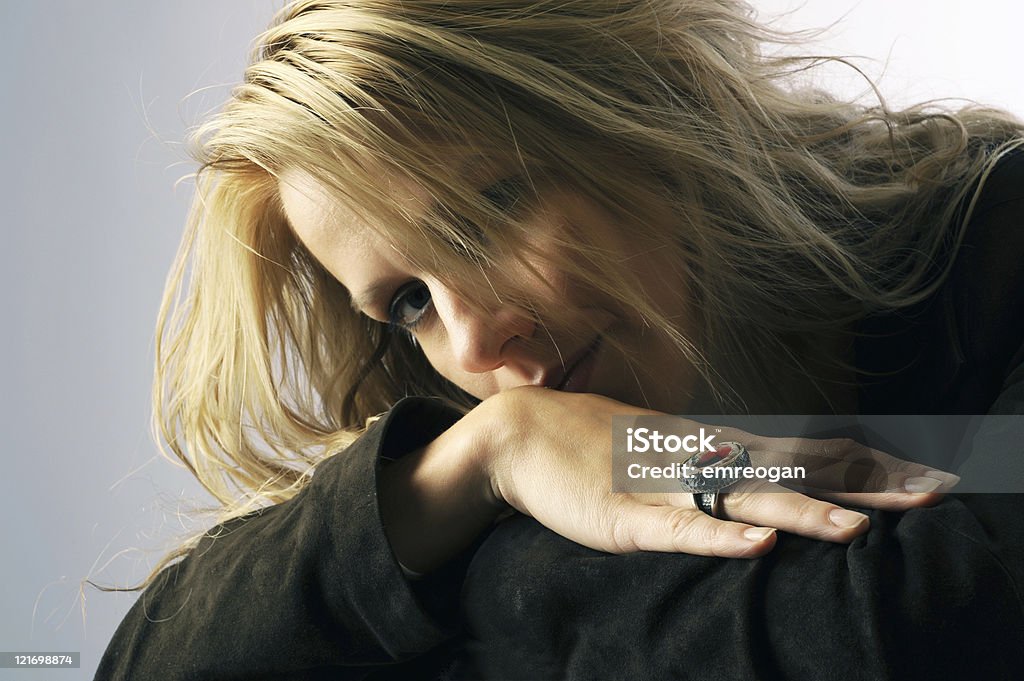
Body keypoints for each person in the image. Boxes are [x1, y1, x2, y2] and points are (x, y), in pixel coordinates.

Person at [95, 0, 1024, 678]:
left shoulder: (1001, 238)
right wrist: (484, 457)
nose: (475, 343)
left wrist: (467, 583)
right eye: (410, 301)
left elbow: (931, 625)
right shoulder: (497, 454)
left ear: (648, 102)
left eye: (487, 211)